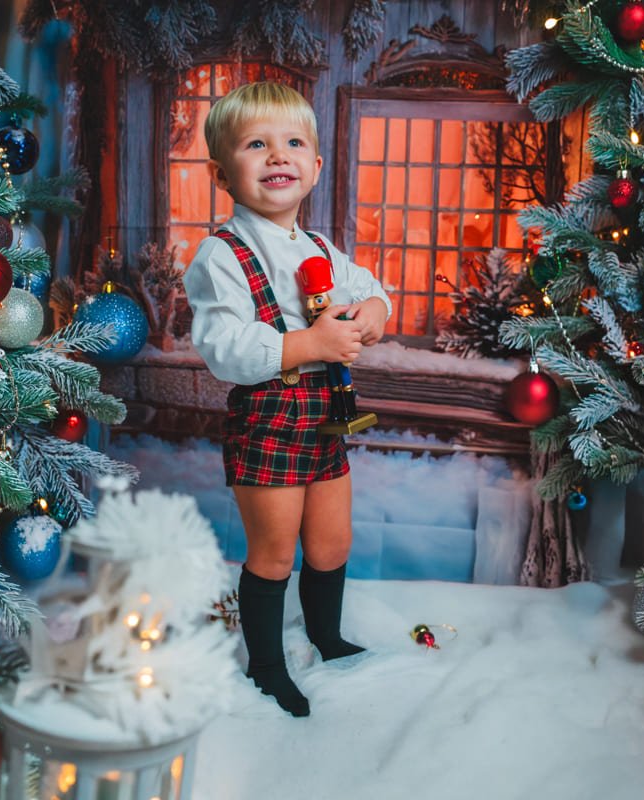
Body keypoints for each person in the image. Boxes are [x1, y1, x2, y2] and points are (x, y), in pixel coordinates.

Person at [182, 82, 391, 717]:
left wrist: (373, 311)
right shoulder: (222, 254)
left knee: (331, 542)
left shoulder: (321, 248)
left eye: (294, 142)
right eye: (256, 145)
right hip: (270, 419)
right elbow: (225, 349)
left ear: (315, 166)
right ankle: (267, 665)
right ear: (222, 174)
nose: (278, 155)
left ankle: (327, 637)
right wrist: (311, 343)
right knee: (274, 552)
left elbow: (372, 289)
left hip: (328, 415)